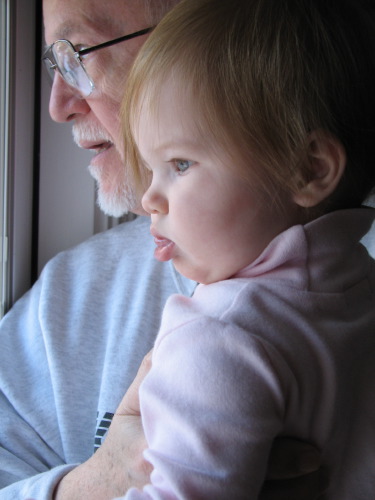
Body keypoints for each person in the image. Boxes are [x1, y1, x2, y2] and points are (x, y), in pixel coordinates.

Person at [0, 0, 340, 498]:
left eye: (78, 54)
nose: (57, 104)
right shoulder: (66, 297)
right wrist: (97, 482)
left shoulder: (227, 330)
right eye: (55, 63)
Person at [116, 0, 375, 497]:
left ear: (311, 169)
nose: (150, 197)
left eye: (181, 164)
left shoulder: (218, 337)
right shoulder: (357, 292)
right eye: (151, 169)